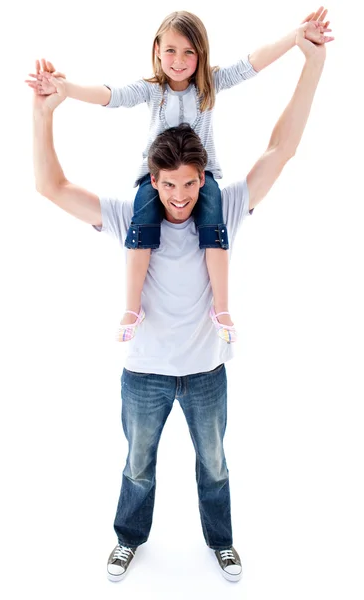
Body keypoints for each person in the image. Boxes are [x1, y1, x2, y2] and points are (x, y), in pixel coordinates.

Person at [27, 19, 332, 583]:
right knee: (138, 467)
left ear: (203, 179)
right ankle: (127, 538)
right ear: (153, 179)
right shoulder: (129, 215)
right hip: (144, 372)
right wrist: (46, 111)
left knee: (214, 467)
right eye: (168, 186)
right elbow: (52, 187)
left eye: (190, 185)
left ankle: (221, 543)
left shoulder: (225, 208)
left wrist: (309, 62)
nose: (180, 198)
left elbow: (281, 148)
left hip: (207, 372)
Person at [27, 8, 331, 344]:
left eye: (189, 52)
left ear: (201, 55)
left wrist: (297, 42)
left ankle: (223, 307)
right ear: (157, 50)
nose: (178, 60)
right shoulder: (151, 94)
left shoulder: (210, 88)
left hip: (209, 174)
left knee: (215, 232)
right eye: (170, 50)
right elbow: (109, 96)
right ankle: (131, 308)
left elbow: (253, 69)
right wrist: (64, 91)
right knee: (140, 232)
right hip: (150, 177)